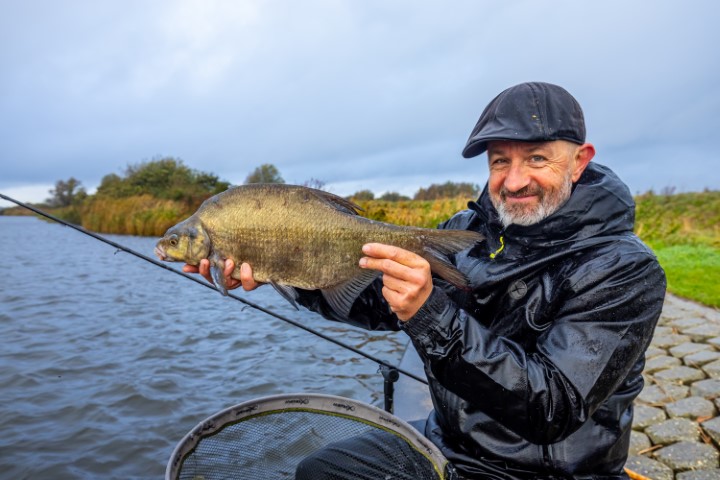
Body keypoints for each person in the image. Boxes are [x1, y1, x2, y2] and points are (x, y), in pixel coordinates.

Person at [185, 82, 666, 479]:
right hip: (450, 443)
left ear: (580, 160)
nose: (514, 180)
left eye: (537, 158)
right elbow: (375, 304)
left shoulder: (623, 269)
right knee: (320, 470)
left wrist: (430, 314)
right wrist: (290, 272)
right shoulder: (470, 229)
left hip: (551, 472)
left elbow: (553, 407)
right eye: (500, 161)